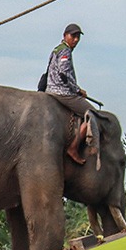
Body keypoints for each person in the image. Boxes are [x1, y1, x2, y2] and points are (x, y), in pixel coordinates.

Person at [43, 22, 94, 163]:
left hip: (50, 89)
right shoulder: (65, 51)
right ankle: (73, 147)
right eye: (73, 36)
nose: (76, 40)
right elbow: (64, 73)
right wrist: (77, 90)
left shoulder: (56, 49)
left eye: (78, 37)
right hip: (62, 92)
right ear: (65, 36)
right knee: (92, 114)